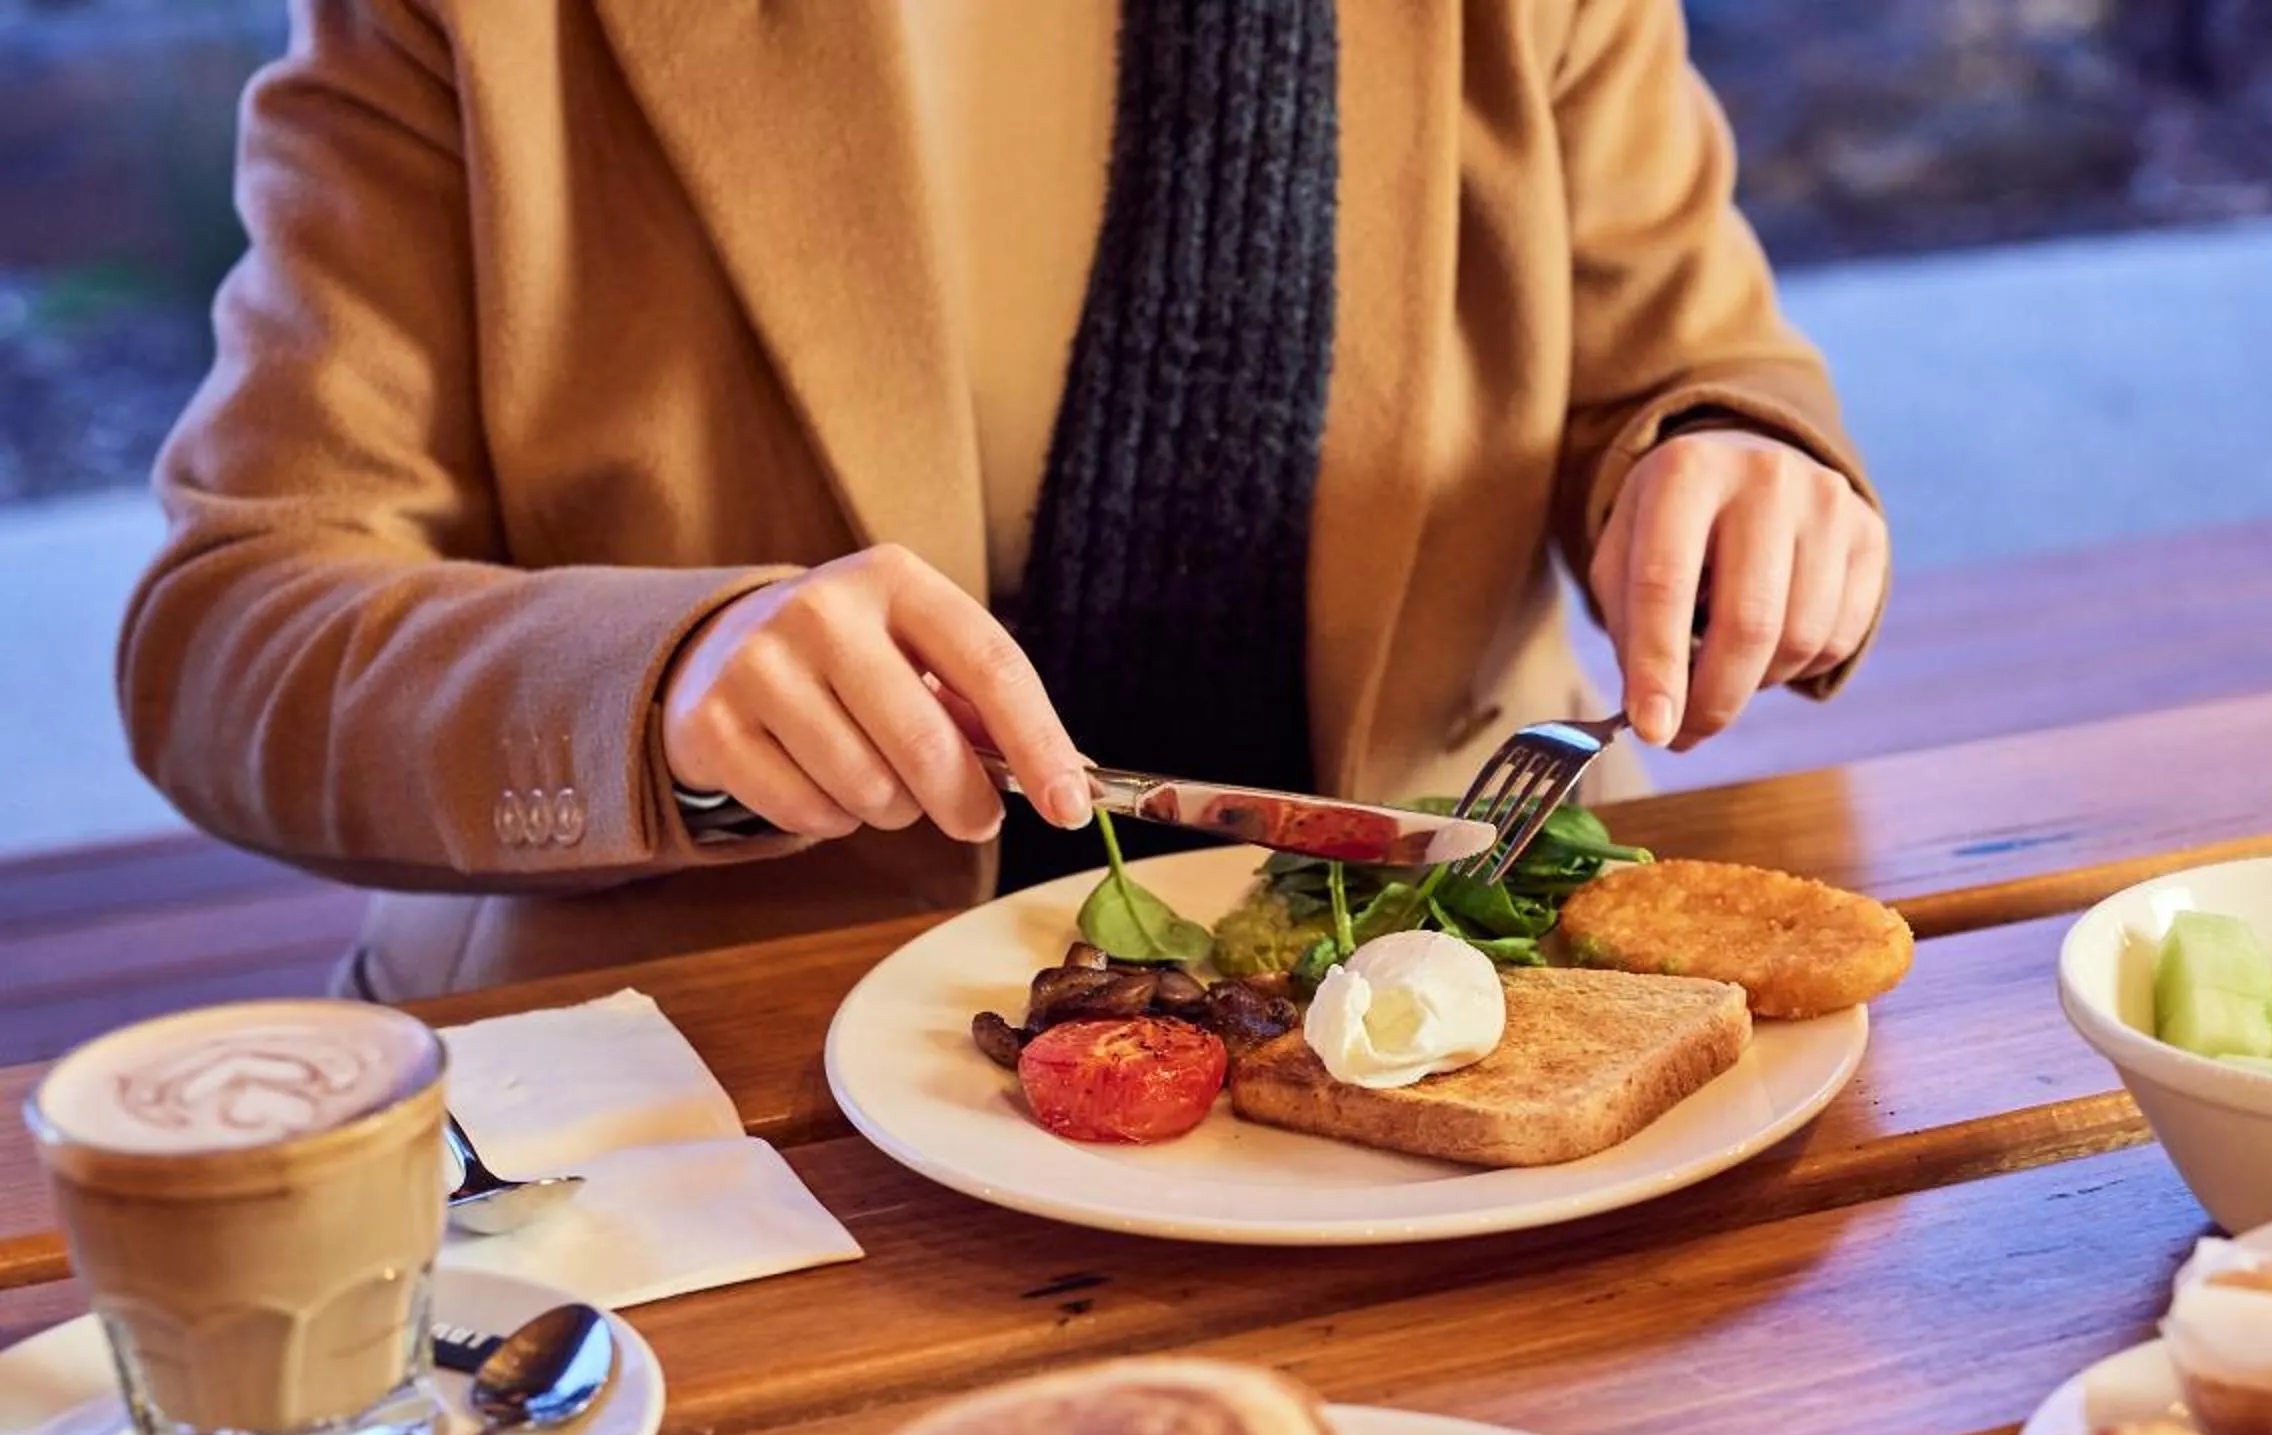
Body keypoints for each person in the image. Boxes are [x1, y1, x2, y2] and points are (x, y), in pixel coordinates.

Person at [121, 2, 1888, 1001]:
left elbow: (1692, 364)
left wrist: (1740, 460)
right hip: (741, 1079)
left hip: (1448, 999)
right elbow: (231, 636)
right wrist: (656, 685)